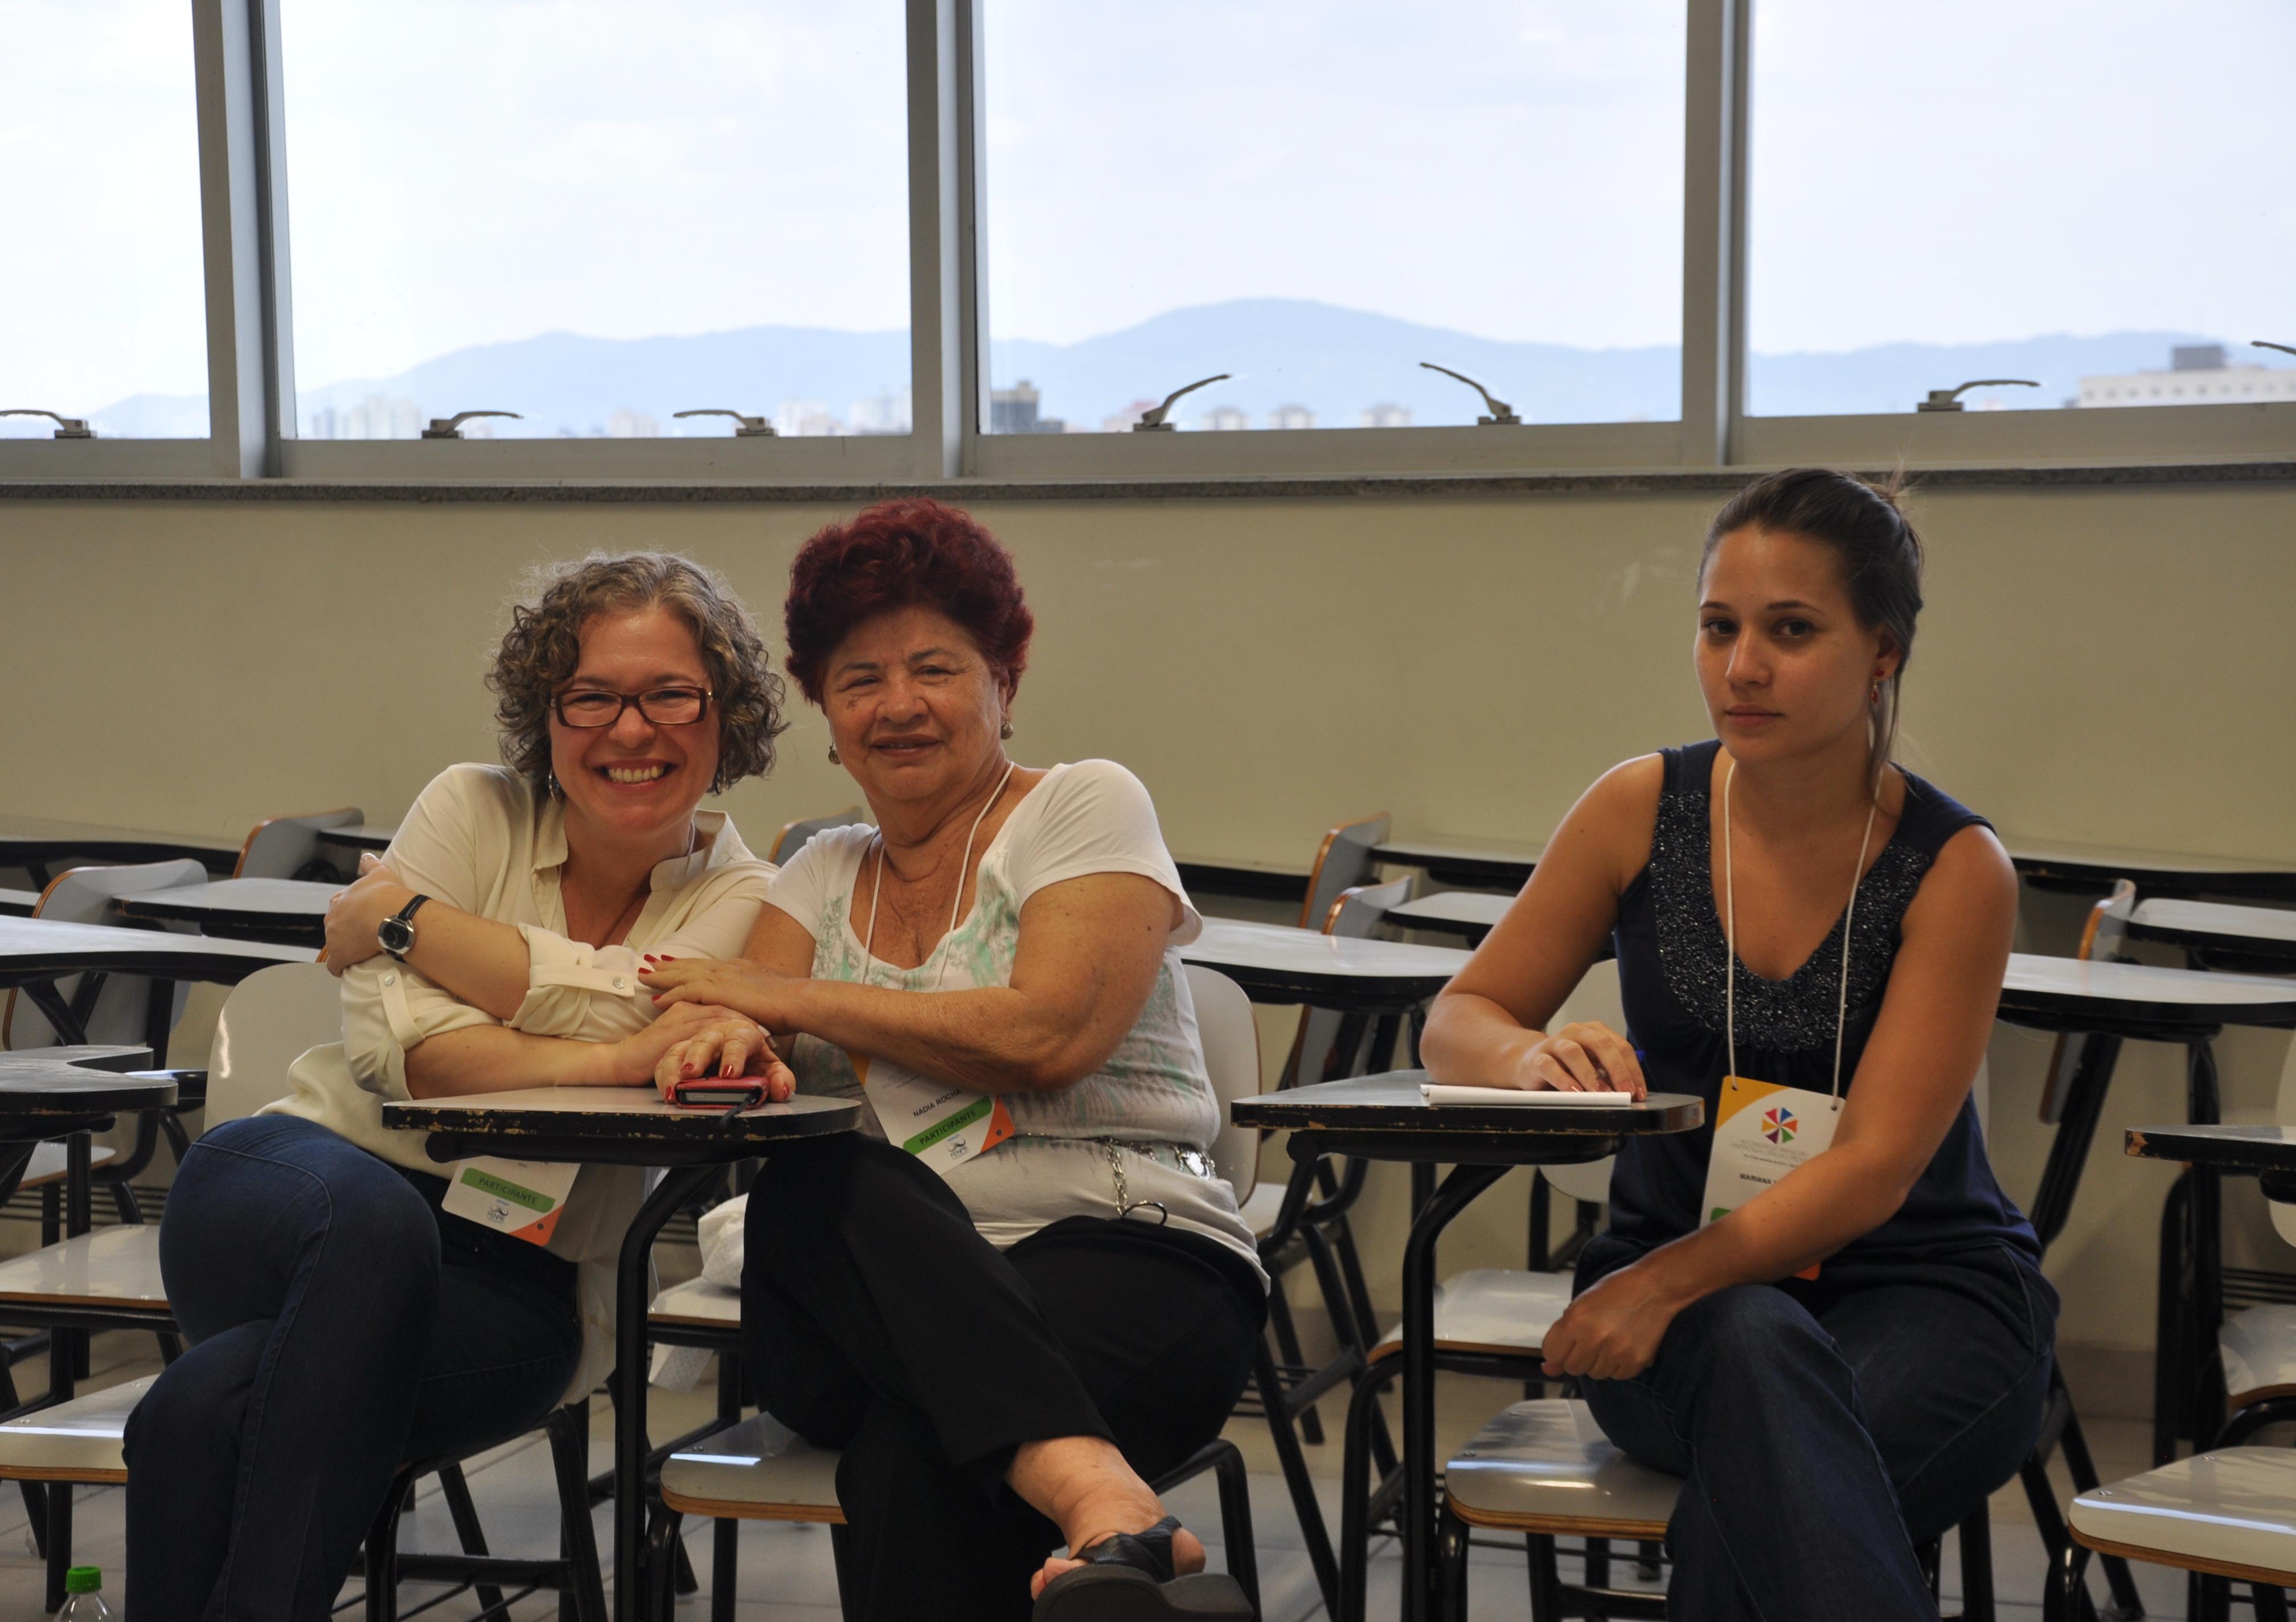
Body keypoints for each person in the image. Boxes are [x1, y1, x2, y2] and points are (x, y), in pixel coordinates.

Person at [1420, 468, 2056, 1620]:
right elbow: (1459, 1015)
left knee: (1756, 1491)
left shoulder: (1956, 865)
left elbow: (1872, 1167)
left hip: (1926, 1294)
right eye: (1719, 627)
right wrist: (1527, 1057)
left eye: (1790, 630)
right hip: (1686, 1309)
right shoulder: (1638, 808)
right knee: (1760, 1363)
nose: (1742, 666)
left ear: (1882, 651)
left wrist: (1657, 1284)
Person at [122, 552, 785, 1621]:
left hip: (518, 1278)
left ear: (727, 713)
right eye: (591, 697)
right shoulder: (470, 808)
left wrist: (416, 924)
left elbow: (631, 1015)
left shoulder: (755, 897)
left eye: (671, 695)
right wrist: (608, 1054)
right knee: (375, 1223)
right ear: (545, 713)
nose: (631, 731)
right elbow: (402, 1051)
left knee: (203, 1404)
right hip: (296, 1177)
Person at [640, 498, 1265, 1621]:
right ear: (827, 713)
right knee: (820, 1177)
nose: (897, 704)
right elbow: (738, 1035)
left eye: (934, 668)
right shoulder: (818, 870)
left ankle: (1099, 1524)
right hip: (854, 1308)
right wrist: (725, 1038)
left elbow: (1047, 1036)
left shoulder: (1082, 806)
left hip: (1128, 1250)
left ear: (1004, 683)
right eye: (859, 679)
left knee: (914, 1463)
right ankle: (1105, 1497)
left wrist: (782, 998)